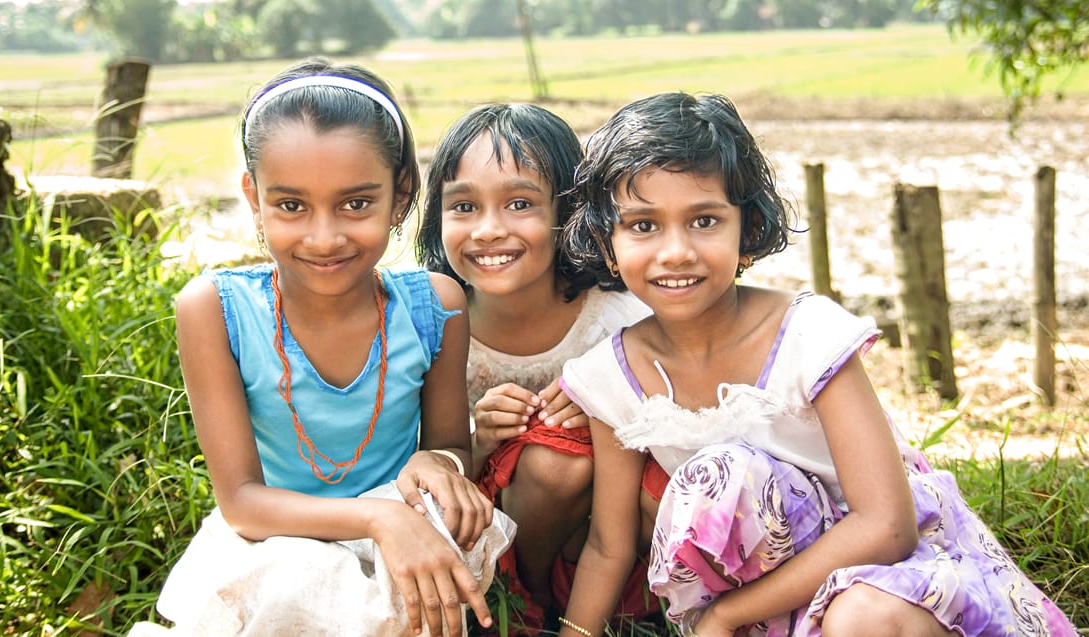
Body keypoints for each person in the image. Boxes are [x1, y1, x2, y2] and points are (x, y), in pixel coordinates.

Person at [554, 91, 1077, 637]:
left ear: (749, 231)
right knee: (719, 477)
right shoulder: (610, 377)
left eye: (705, 220)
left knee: (858, 618)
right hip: (767, 598)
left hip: (890, 575)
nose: (675, 251)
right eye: (643, 226)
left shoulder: (806, 335)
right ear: (606, 245)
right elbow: (609, 545)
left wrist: (727, 614)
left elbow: (887, 526)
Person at [129, 58, 514, 637]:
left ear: (402, 192)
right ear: (253, 196)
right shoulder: (215, 308)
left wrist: (438, 465)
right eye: (291, 206)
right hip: (277, 538)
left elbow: (449, 447)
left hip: (399, 526)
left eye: (356, 204)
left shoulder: (436, 305)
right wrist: (378, 518)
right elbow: (241, 501)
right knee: (295, 581)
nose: (324, 236)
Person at [413, 103, 652, 633]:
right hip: (482, 528)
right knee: (550, 462)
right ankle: (522, 605)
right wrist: (480, 440)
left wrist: (605, 410)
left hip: (606, 531)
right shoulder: (427, 325)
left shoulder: (619, 321)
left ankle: (582, 601)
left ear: (568, 212)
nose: (489, 230)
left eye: (519, 203)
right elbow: (417, 459)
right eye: (464, 207)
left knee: (566, 457)